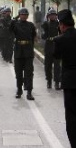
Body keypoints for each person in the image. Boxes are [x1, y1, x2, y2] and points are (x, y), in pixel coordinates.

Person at [53, 9, 76, 148]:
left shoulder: (59, 39)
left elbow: (56, 56)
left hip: (70, 82)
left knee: (72, 116)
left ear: (61, 25)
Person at [10, 7, 37, 100]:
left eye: (25, 15)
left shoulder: (31, 25)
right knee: (18, 73)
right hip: (18, 51)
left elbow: (33, 36)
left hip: (28, 51)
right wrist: (14, 18)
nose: (24, 16)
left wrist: (31, 47)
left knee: (29, 73)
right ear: (19, 15)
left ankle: (29, 92)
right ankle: (19, 90)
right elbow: (10, 29)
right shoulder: (15, 24)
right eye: (22, 14)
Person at [41, 8, 61, 90]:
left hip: (57, 45)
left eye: (54, 15)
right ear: (48, 16)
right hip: (48, 45)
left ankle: (57, 82)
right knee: (48, 65)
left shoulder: (59, 24)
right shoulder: (46, 24)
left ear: (56, 16)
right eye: (51, 15)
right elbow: (43, 36)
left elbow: (62, 34)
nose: (52, 16)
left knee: (57, 66)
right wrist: (44, 30)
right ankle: (49, 81)